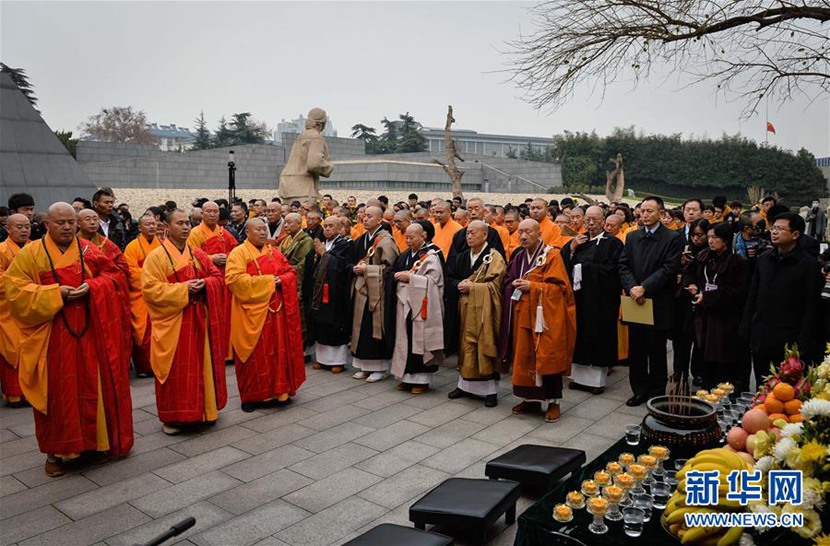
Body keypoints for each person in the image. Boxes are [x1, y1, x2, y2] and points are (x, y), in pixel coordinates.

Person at [5, 203, 133, 476]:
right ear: (47, 225)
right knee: (57, 394)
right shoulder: (31, 253)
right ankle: (56, 453)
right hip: (52, 335)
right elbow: (15, 291)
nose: (66, 227)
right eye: (60, 222)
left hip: (89, 332)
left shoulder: (88, 250)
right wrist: (55, 294)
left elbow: (115, 276)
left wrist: (94, 286)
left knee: (91, 386)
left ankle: (94, 445)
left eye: (70, 222)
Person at [141, 209, 228, 435]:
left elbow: (217, 277)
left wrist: (206, 284)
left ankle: (205, 411)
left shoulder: (197, 254)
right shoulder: (156, 257)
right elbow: (150, 290)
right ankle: (175, 417)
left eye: (188, 223)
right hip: (173, 322)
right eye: (180, 223)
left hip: (199, 319)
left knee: (201, 366)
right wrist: (183, 289)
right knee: (177, 370)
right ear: (167, 228)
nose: (186, 227)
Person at [499, 219, 576, 423]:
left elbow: (561, 290)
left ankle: (553, 402)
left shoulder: (552, 255)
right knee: (523, 356)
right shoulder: (519, 256)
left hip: (544, 318)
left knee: (546, 355)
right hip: (522, 314)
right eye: (520, 232)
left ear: (539, 233)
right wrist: (513, 284)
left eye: (528, 232)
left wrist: (532, 287)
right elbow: (507, 279)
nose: (523, 236)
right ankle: (529, 399)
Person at [226, 217, 305, 411]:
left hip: (276, 313)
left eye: (264, 230)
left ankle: (280, 393)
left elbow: (290, 273)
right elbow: (234, 280)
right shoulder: (238, 253)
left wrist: (282, 281)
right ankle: (252, 397)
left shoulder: (274, 252)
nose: (263, 233)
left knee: (278, 352)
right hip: (251, 314)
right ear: (247, 232)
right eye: (258, 230)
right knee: (254, 356)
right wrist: (271, 282)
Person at [741, 213, 824, 383]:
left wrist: (804, 343)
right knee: (762, 388)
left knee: (785, 393)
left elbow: (811, 307)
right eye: (773, 228)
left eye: (780, 229)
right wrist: (747, 328)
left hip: (789, 340)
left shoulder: (808, 265)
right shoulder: (764, 260)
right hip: (762, 337)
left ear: (795, 234)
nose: (774, 232)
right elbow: (753, 296)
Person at [619, 196, 684, 406]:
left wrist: (644, 287)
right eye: (642, 211)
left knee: (656, 348)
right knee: (636, 349)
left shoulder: (672, 238)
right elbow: (624, 265)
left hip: (658, 301)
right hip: (635, 300)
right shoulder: (633, 237)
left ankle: (656, 391)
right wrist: (632, 287)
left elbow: (669, 268)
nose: (644, 215)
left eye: (649, 211)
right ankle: (639, 389)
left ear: (661, 213)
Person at [561, 206, 624, 395]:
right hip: (579, 298)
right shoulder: (578, 240)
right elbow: (563, 263)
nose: (590, 223)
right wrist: (571, 248)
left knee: (598, 337)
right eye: (587, 219)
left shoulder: (613, 243)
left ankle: (596, 382)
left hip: (601, 300)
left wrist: (585, 268)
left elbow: (613, 270)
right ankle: (577, 378)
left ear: (603, 220)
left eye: (595, 219)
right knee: (579, 335)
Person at [446, 221, 507, 407]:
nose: (469, 236)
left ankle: (490, 391)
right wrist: (457, 285)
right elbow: (449, 276)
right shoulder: (463, 256)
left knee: (484, 344)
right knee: (465, 346)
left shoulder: (494, 257)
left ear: (485, 235)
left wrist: (474, 288)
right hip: (464, 308)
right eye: (467, 233)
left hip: (484, 311)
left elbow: (497, 285)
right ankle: (463, 385)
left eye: (473, 233)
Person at [683, 222, 749, 389]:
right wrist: (691, 284)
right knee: (702, 352)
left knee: (721, 356)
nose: (711, 241)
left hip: (725, 318)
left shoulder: (737, 261)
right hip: (703, 315)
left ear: (726, 240)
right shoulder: (704, 256)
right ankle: (705, 386)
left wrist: (708, 297)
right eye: (710, 237)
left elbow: (737, 292)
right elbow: (689, 272)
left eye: (715, 237)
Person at [388, 224, 444, 394]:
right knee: (404, 338)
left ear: (423, 236)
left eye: (412, 237)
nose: (409, 240)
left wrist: (410, 277)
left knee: (419, 339)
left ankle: (421, 380)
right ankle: (405, 378)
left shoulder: (431, 256)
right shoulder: (405, 255)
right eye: (407, 237)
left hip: (421, 305)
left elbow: (434, 281)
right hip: (404, 303)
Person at [351, 206, 399, 382]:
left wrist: (367, 269)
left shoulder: (386, 240)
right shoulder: (365, 238)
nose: (365, 219)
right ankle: (364, 365)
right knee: (362, 325)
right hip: (364, 289)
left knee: (375, 326)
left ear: (380, 220)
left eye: (370, 216)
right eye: (364, 216)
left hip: (378, 292)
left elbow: (390, 267)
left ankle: (379, 368)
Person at [305, 216, 354, 373]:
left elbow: (342, 267)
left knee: (334, 324)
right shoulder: (321, 242)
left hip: (336, 292)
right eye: (325, 226)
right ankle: (321, 359)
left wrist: (324, 254)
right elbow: (311, 264)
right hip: (318, 290)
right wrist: (316, 257)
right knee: (319, 322)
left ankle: (337, 361)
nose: (326, 229)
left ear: (340, 229)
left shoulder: (345, 245)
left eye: (331, 226)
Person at [123, 214, 161, 378]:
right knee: (141, 330)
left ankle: (160, 363)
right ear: (140, 227)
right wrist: (151, 275)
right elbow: (130, 271)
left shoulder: (162, 245)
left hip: (160, 292)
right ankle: (144, 366)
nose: (151, 227)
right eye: (147, 224)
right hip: (141, 295)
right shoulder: (132, 247)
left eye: (153, 224)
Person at [0, 214, 31, 406]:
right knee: (11, 350)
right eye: (19, 227)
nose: (24, 230)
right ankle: (14, 395)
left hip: (31, 308)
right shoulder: (2, 249)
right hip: (7, 310)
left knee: (31, 350)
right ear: (8, 229)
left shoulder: (36, 248)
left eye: (27, 226)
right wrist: (23, 284)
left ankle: (31, 391)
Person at [278, 108, 334, 202]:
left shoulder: (301, 137)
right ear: (322, 124)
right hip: (302, 185)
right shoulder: (316, 137)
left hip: (288, 182)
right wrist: (329, 167)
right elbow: (313, 164)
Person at [279, 213, 315, 359]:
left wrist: (282, 268)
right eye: (285, 222)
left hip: (297, 283)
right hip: (285, 278)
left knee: (299, 316)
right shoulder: (287, 239)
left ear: (300, 224)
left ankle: (303, 349)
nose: (286, 225)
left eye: (289, 222)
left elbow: (301, 264)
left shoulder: (306, 241)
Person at [447, 198, 506, 267]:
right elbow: (452, 261)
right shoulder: (460, 234)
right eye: (470, 210)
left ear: (484, 212)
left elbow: (498, 260)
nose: (473, 212)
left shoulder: (492, 233)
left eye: (477, 209)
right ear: (467, 214)